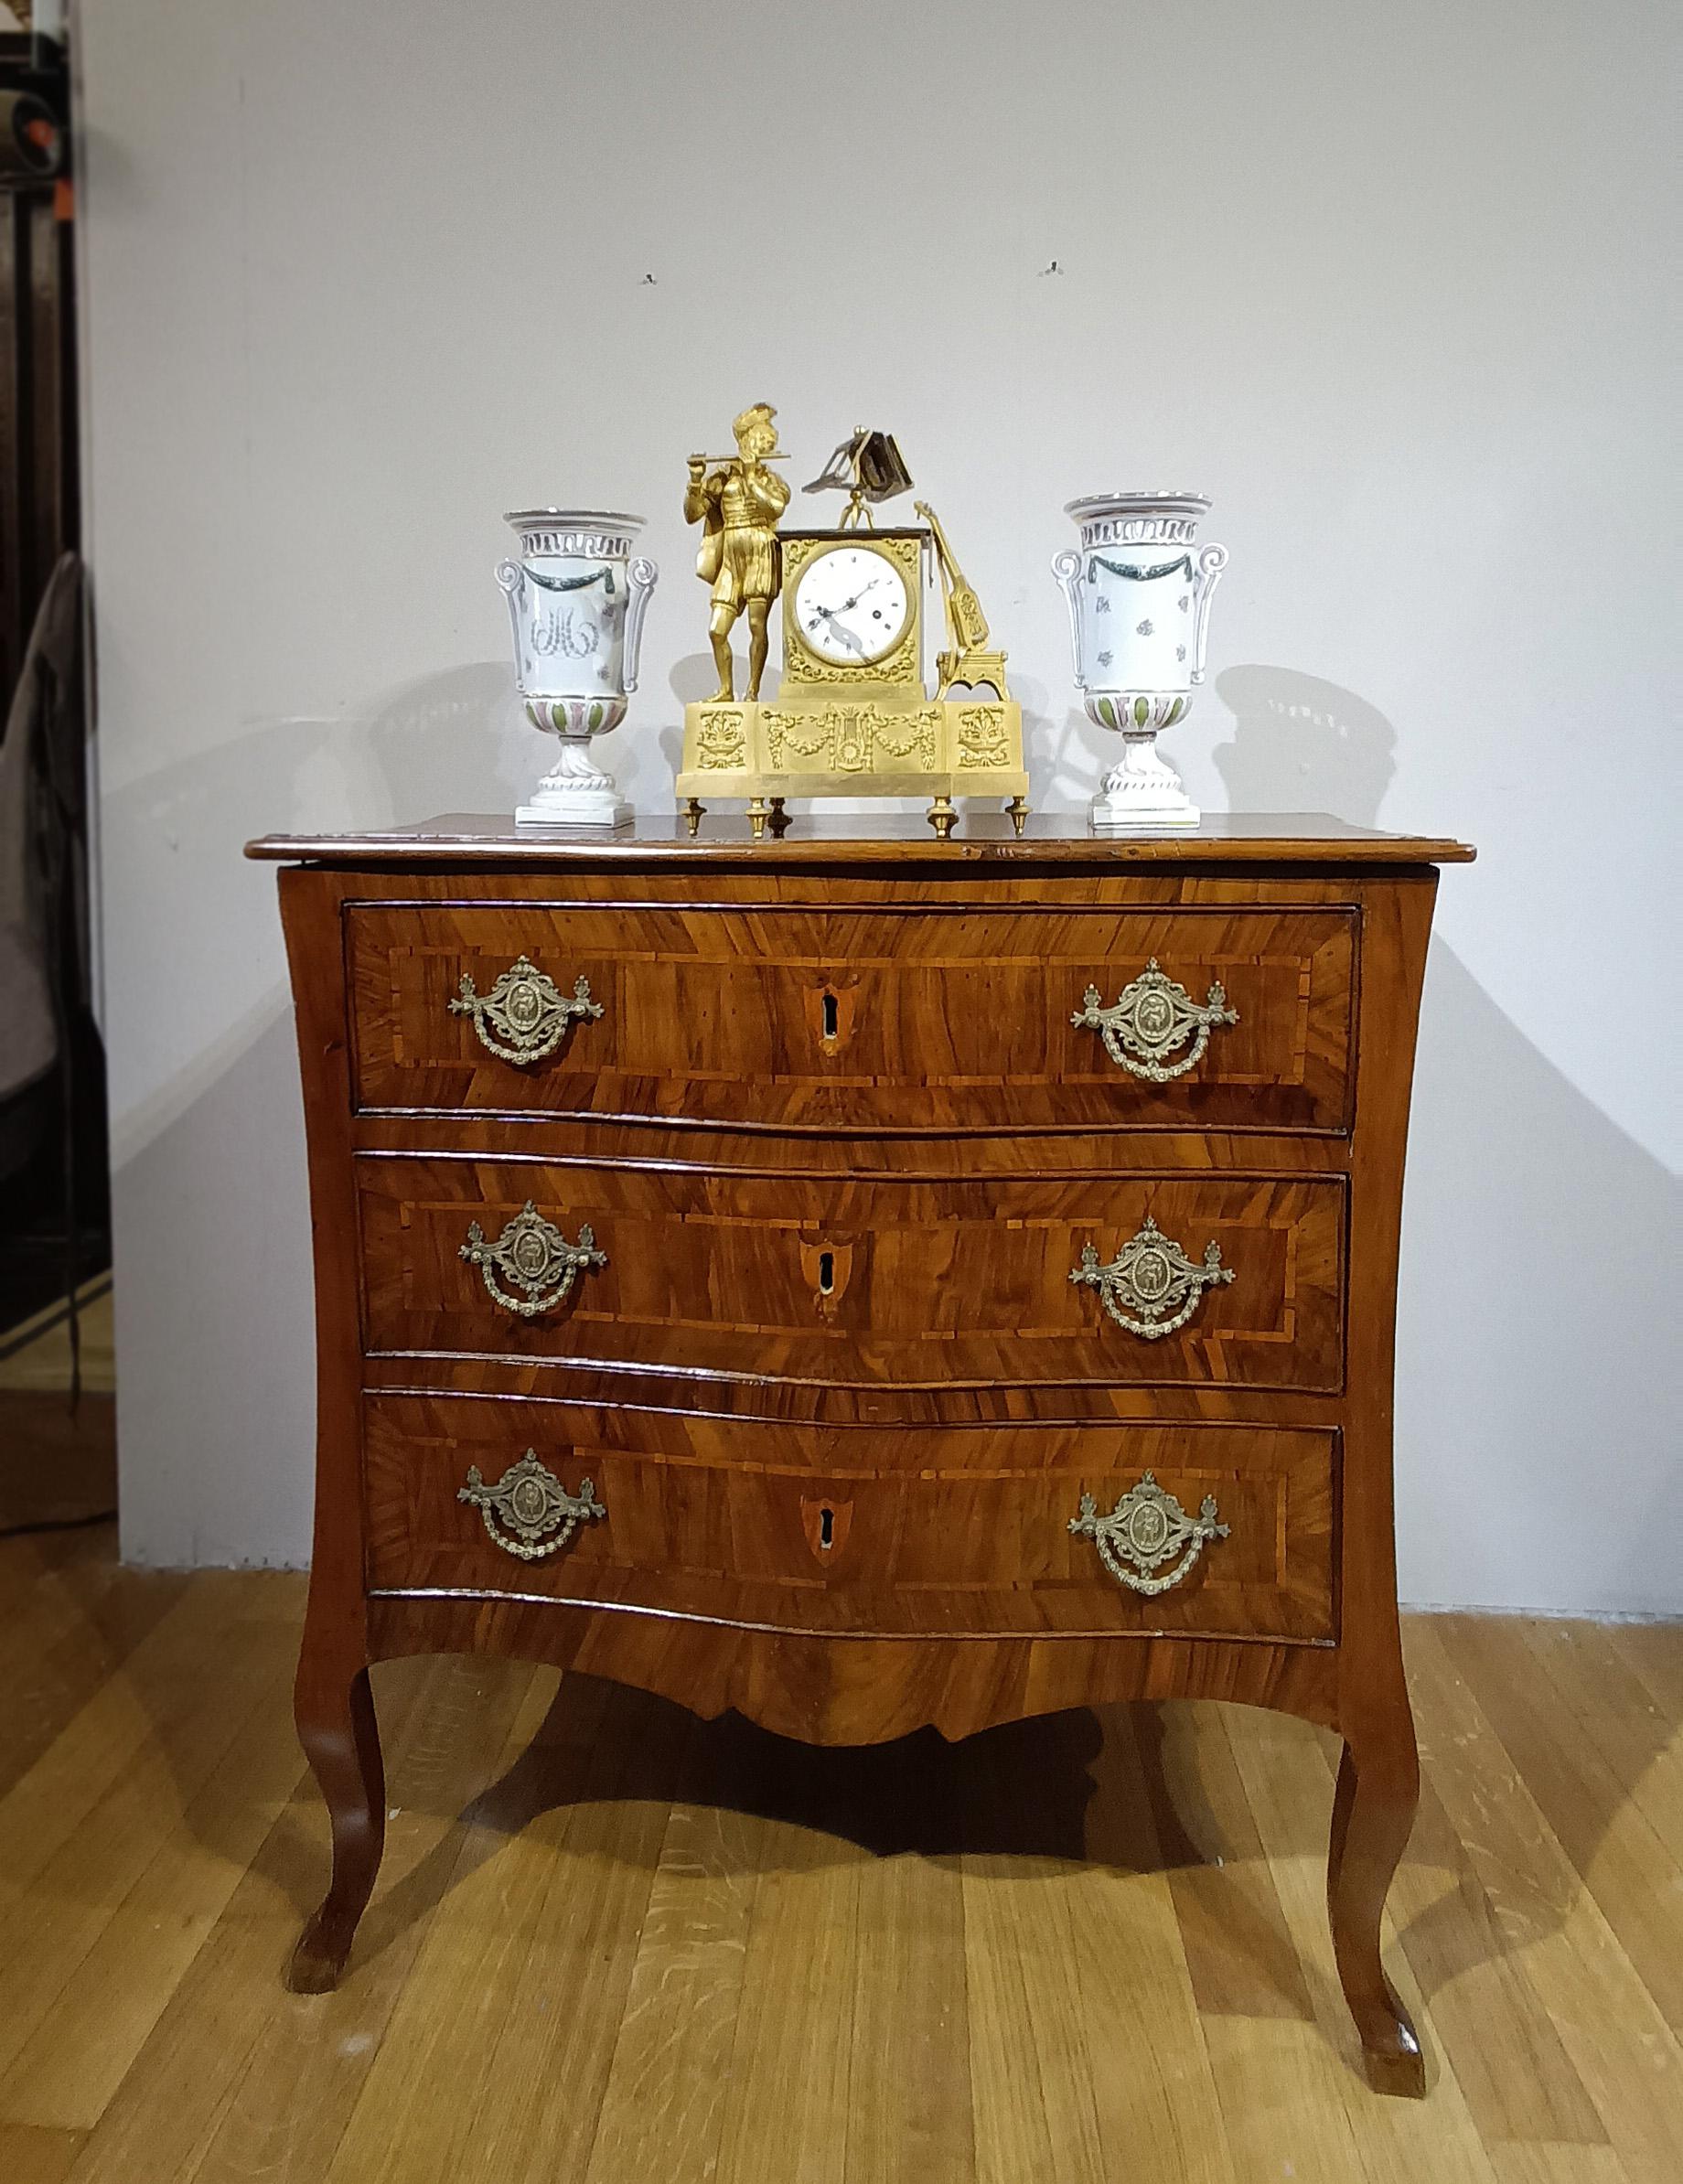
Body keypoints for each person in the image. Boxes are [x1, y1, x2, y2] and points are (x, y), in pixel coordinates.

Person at [684, 403, 790, 701]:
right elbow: (693, 514)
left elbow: (776, 506)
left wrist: (752, 475)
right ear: (746, 439)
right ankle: (726, 689)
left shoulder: (771, 480)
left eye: (770, 440)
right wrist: (696, 482)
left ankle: (753, 689)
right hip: (732, 554)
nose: (768, 443)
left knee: (757, 625)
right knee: (717, 629)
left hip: (760, 549)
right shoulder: (723, 478)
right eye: (762, 437)